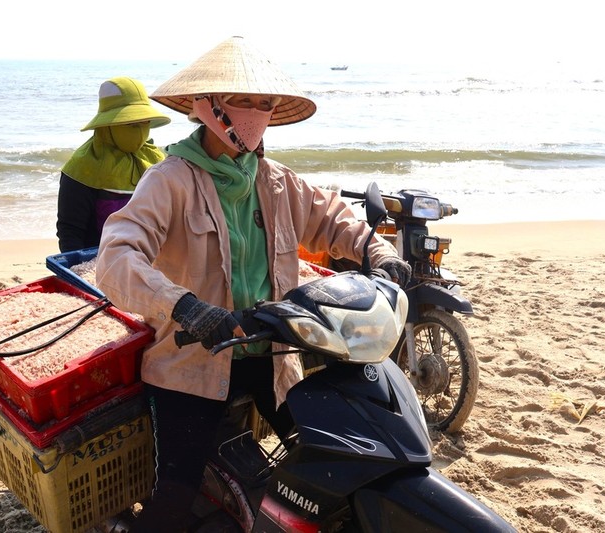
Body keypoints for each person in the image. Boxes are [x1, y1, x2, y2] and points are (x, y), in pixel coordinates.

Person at [95, 36, 411, 531]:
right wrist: (185, 307)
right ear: (208, 106)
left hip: (270, 353)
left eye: (265, 104)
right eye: (246, 101)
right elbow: (116, 256)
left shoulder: (277, 179)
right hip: (193, 361)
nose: (257, 114)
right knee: (175, 497)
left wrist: (378, 250)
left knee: (326, 458)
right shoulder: (170, 180)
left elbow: (332, 219)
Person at [56, 77, 170, 252]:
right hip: (99, 261)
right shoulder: (82, 167)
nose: (139, 131)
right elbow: (70, 232)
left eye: (144, 122)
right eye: (131, 123)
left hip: (149, 257)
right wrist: (77, 273)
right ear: (109, 125)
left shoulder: (155, 159)